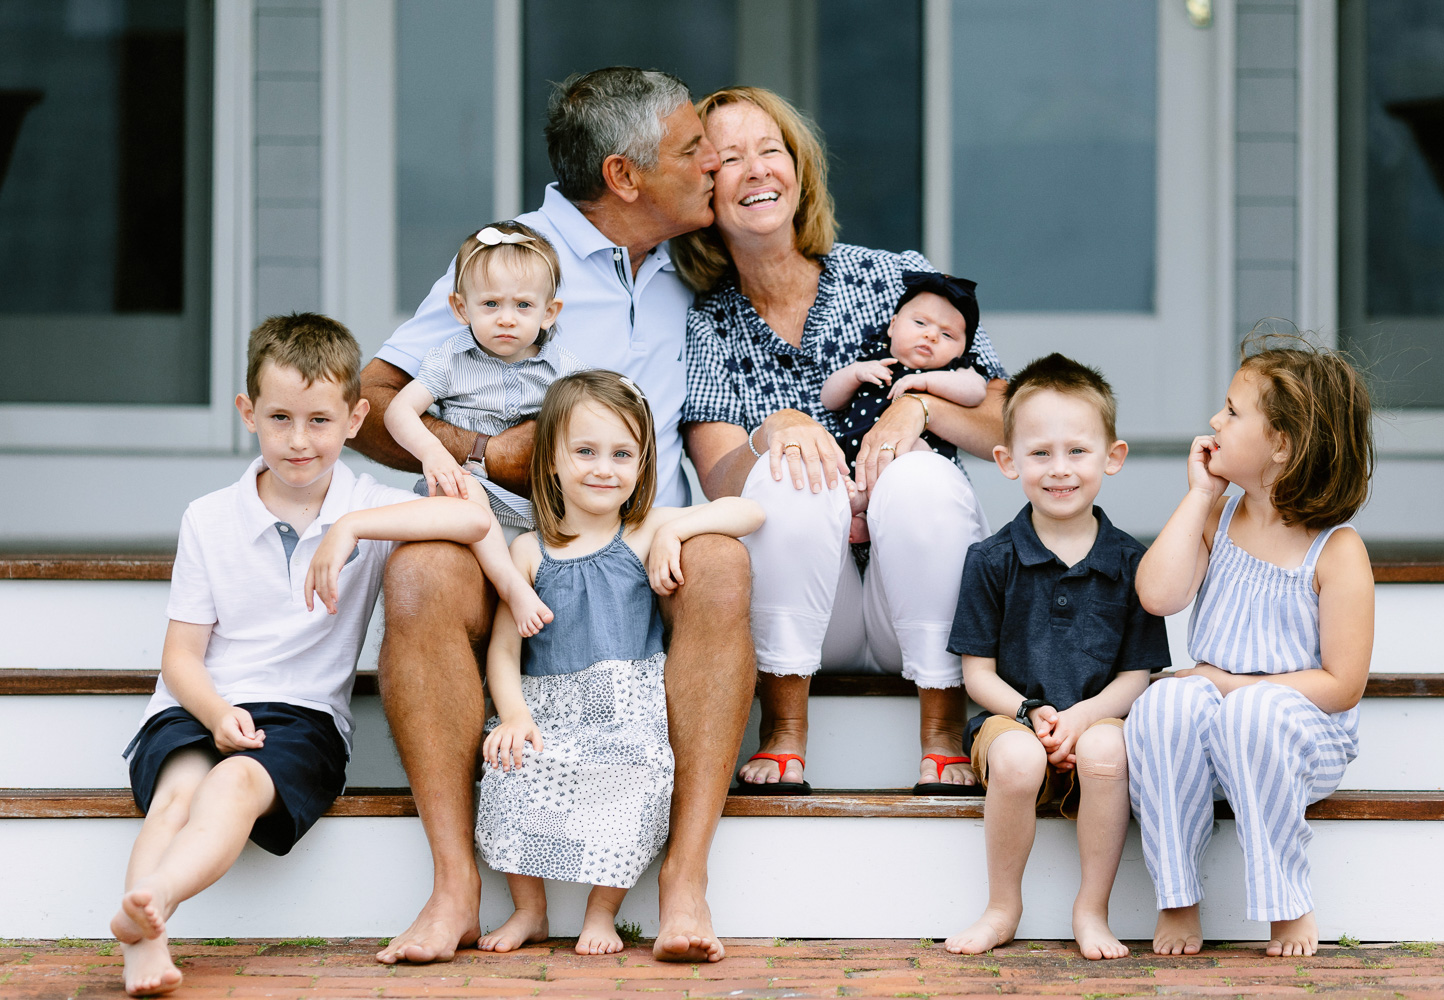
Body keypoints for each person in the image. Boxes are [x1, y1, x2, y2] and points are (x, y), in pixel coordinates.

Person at [347, 67, 754, 964]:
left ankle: (687, 877)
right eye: (694, 151)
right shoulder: (513, 263)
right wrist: (481, 451)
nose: (715, 166)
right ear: (623, 175)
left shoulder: (697, 257)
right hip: (512, 534)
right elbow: (372, 400)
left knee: (723, 559)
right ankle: (454, 886)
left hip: (642, 542)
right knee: (416, 573)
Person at [109, 314, 494, 996]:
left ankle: (154, 901)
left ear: (355, 420)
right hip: (196, 703)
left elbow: (472, 519)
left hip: (300, 717)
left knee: (232, 784)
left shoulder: (364, 503)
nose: (298, 440)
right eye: (280, 417)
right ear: (247, 412)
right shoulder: (209, 516)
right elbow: (181, 655)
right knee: (174, 795)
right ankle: (146, 941)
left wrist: (350, 528)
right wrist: (216, 711)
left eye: (320, 421)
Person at [676, 86, 1007, 794]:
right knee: (789, 477)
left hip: (913, 597)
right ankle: (785, 733)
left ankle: (944, 736)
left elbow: (1009, 419)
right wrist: (773, 430)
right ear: (704, 191)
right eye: (729, 159)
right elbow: (721, 480)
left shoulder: (892, 279)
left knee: (917, 478)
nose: (758, 170)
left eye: (772, 151)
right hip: (807, 617)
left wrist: (917, 409)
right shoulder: (709, 323)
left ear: (800, 169)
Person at [474, 371, 763, 957]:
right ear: (551, 461)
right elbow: (504, 649)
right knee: (510, 782)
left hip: (628, 716)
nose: (603, 468)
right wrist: (511, 715)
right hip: (547, 711)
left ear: (642, 462)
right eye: (584, 451)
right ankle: (529, 910)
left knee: (637, 784)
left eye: (621, 454)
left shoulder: (645, 528)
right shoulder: (529, 550)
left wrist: (677, 528)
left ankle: (600, 914)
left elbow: (748, 511)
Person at [1127, 335, 1375, 959]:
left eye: (1233, 412)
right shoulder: (1218, 517)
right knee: (1163, 705)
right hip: (1217, 730)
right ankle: (1177, 895)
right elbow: (1157, 595)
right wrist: (1200, 495)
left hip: (1297, 736)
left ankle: (1285, 902)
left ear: (1283, 444)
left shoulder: (1336, 551)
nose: (1215, 420)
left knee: (1249, 711)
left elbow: (1341, 684)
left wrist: (1228, 685)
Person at [943, 354, 1170, 959]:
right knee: (1016, 759)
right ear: (1008, 461)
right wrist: (1031, 712)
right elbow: (977, 675)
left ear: (1111, 458)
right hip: (1014, 724)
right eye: (1040, 453)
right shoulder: (991, 560)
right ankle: (1002, 907)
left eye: (1078, 451)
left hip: (1098, 725)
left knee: (1107, 749)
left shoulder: (1132, 563)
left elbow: (1136, 675)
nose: (1059, 469)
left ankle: (1091, 910)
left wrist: (1084, 717)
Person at [383, 220, 586, 636]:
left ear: (550, 313)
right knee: (464, 487)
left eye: (523, 306)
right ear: (461, 308)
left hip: (532, 505)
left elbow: (590, 422)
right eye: (490, 304)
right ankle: (512, 587)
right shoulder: (449, 359)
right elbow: (398, 411)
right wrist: (434, 452)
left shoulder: (562, 368)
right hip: (463, 496)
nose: (507, 319)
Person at [819, 271, 989, 542]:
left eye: (947, 335)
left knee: (914, 454)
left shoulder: (953, 371)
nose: (931, 335)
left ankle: (865, 505)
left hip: (915, 473)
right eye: (920, 322)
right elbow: (829, 399)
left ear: (963, 349)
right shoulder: (875, 360)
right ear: (893, 325)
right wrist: (854, 373)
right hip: (853, 460)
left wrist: (928, 382)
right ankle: (862, 517)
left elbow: (977, 392)